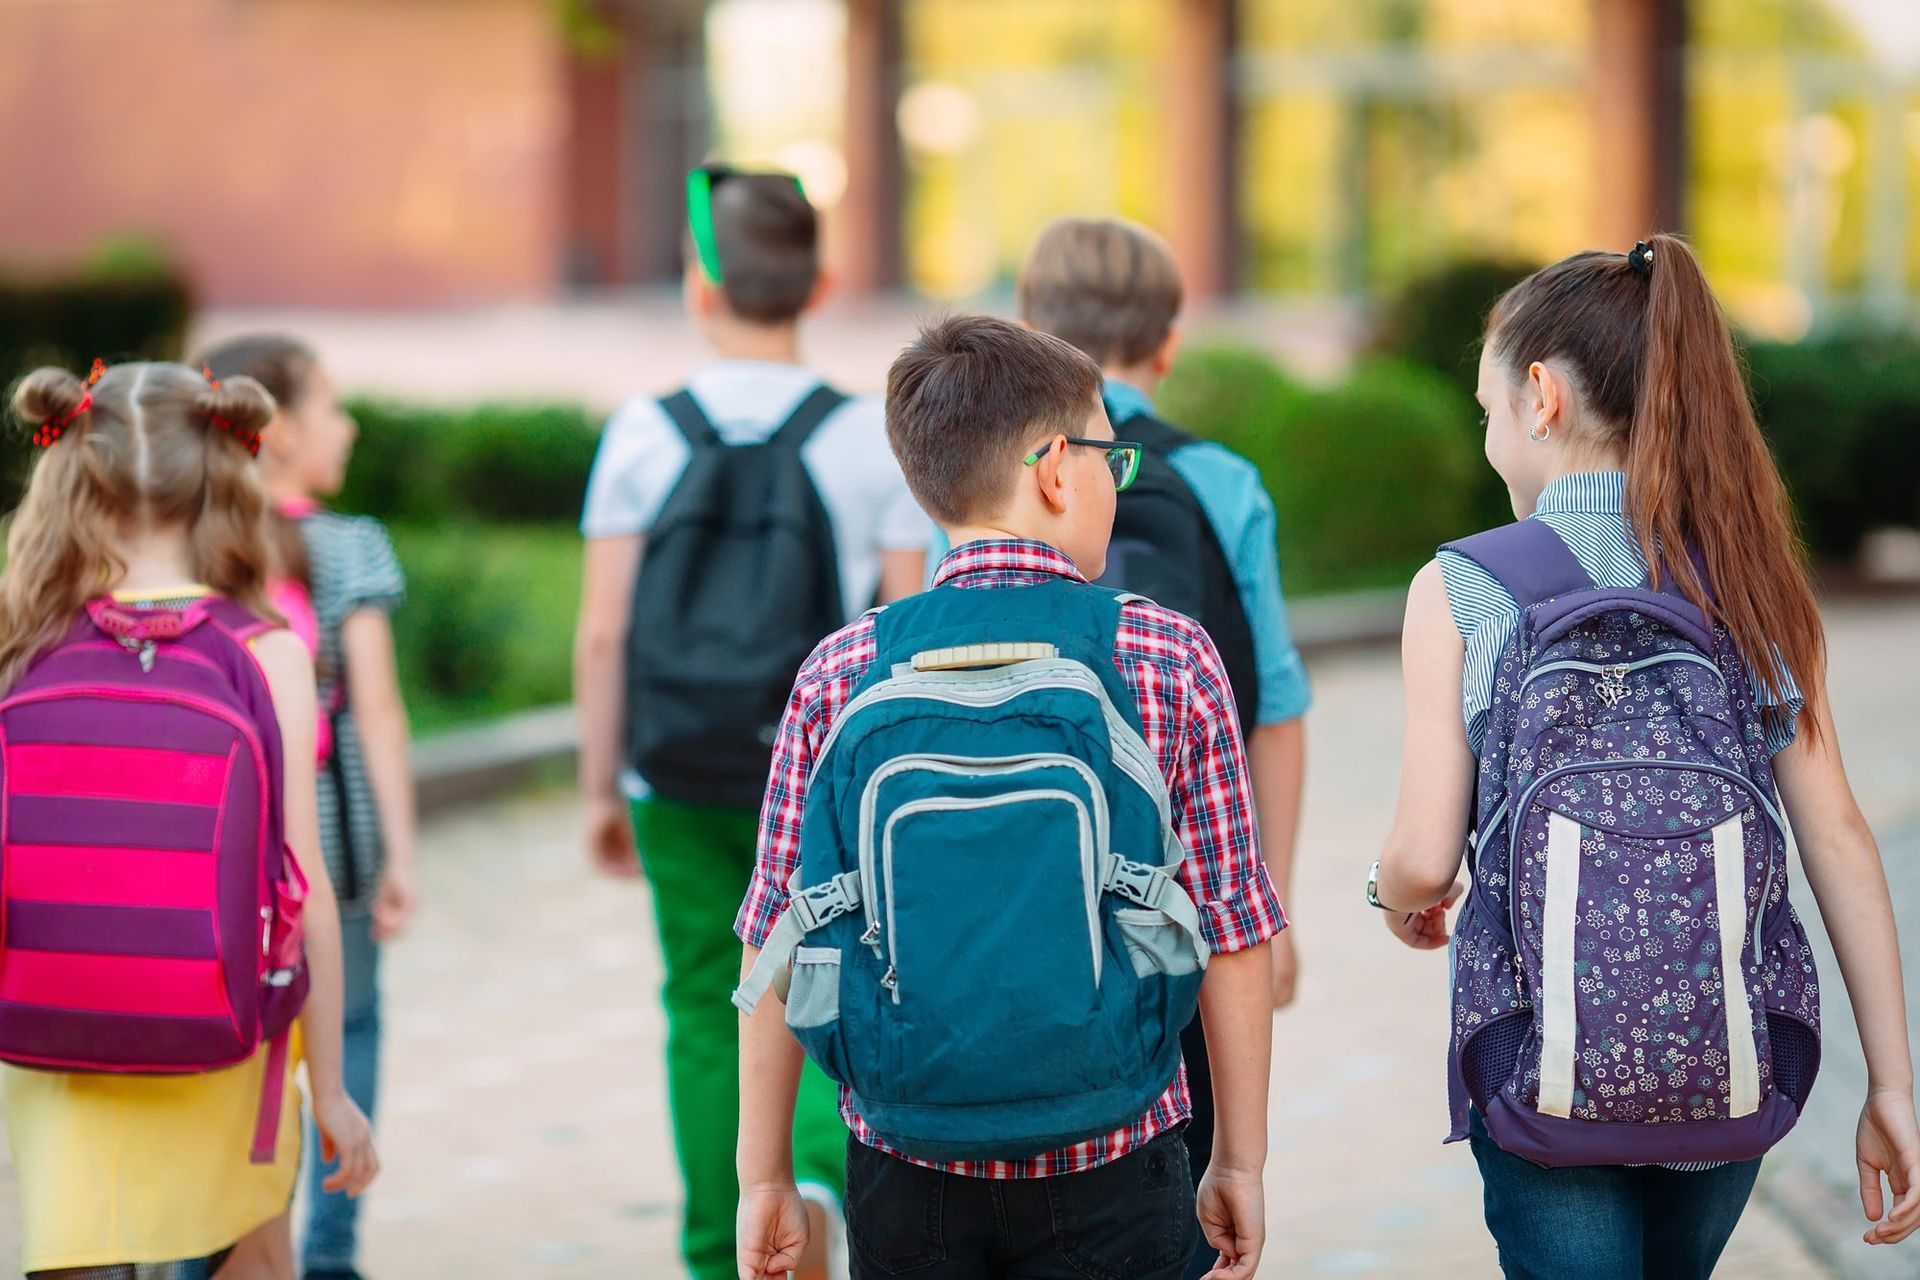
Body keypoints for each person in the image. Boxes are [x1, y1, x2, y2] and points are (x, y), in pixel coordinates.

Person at [1371, 234, 1920, 1278]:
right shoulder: (1751, 582)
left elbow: (1422, 858)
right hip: (1730, 1060)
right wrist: (1889, 1084)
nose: (1491, 434)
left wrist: (1387, 892)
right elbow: (1840, 835)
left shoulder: (1462, 587)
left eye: (1489, 410)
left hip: (1541, 1061)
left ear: (1540, 397)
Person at [733, 314, 1280, 1280]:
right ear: (1057, 469)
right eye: (1114, 456)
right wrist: (1238, 1157)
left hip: (908, 1162)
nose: (1120, 479)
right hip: (1118, 1150)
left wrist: (763, 1176)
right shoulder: (1167, 657)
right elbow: (1234, 933)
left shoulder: (841, 672)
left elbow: (777, 935)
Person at [572, 164, 929, 1280]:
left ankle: (715, 1245)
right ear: (821, 283)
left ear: (699, 285)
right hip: (816, 774)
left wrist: (599, 784)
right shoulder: (864, 436)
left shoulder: (641, 431)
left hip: (671, 768)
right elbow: (900, 627)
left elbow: (600, 633)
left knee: (696, 998)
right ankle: (815, 1186)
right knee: (823, 981)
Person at [0, 361, 377, 1279]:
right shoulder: (266, 653)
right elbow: (306, 891)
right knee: (253, 1250)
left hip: (57, 1034)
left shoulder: (24, 643)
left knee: (74, 1252)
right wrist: (330, 1089)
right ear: (226, 476)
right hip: (227, 1043)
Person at [1016, 216, 1309, 1279]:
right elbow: (1271, 700)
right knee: (1176, 1137)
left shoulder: (1003, 471)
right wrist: (1267, 907)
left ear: (1025, 335)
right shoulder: (1222, 480)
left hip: (1021, 865)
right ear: (1170, 342)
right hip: (1182, 883)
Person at [200, 336, 415, 1280]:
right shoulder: (350, 543)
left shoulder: (198, 542)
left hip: (223, 847)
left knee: (233, 1045)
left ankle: (218, 1239)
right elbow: (377, 709)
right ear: (277, 429)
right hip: (336, 840)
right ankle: (330, 1249)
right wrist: (402, 850)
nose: (350, 422)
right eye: (329, 404)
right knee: (351, 1022)